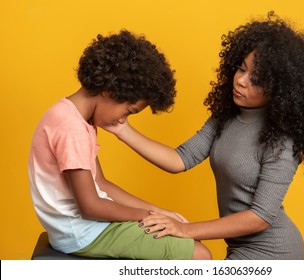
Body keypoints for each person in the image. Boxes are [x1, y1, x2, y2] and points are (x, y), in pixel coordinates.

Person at [104, 13, 304, 260]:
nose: (240, 81)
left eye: (256, 80)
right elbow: (180, 159)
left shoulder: (282, 142)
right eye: (241, 68)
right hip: (239, 248)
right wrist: (122, 129)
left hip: (274, 252)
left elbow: (260, 217)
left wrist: (185, 229)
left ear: (280, 89)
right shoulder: (225, 117)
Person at [28, 30, 211, 260]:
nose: (123, 120)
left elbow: (100, 184)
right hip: (84, 233)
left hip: (83, 229)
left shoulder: (75, 118)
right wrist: (146, 215)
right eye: (129, 111)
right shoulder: (71, 128)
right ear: (110, 91)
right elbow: (90, 206)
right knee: (199, 255)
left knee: (187, 239)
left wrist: (158, 212)